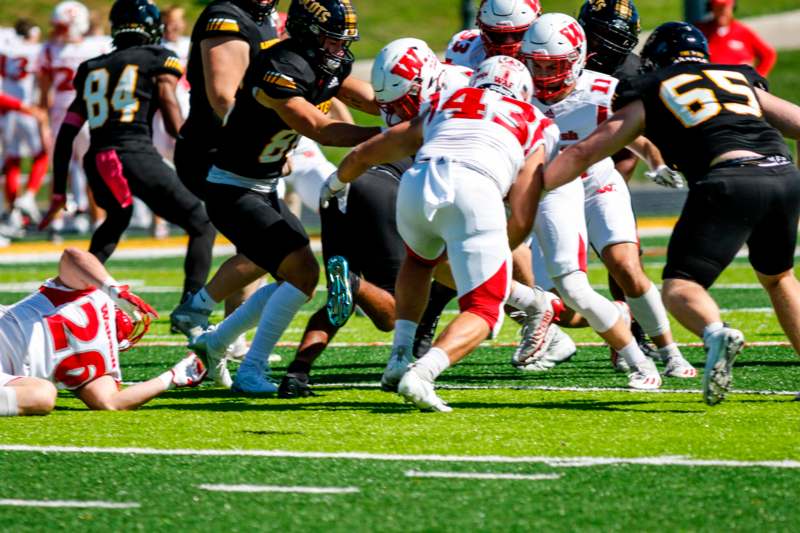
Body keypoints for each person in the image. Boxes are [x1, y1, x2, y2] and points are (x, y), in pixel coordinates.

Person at [543, 22, 800, 405]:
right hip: (783, 173)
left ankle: (715, 332)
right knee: (779, 277)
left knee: (680, 287)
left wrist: (534, 187)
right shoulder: (736, 77)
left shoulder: (652, 86)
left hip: (729, 178)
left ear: (655, 60)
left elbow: (585, 152)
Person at [327, 56, 552, 412]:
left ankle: (399, 356)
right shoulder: (534, 120)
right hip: (473, 189)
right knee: (484, 307)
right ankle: (422, 374)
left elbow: (371, 149)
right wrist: (497, 253)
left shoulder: (448, 102)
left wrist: (336, 181)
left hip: (417, 183)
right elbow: (524, 211)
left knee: (418, 262)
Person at [188, 0, 382, 395]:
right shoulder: (280, 67)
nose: (339, 49)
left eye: (342, 41)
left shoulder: (323, 61)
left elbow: (369, 98)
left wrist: (416, 107)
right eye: (331, 39)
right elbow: (323, 130)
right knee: (302, 272)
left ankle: (215, 343)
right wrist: (394, 136)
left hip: (262, 184)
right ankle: (249, 369)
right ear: (308, 31)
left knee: (299, 276)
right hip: (232, 187)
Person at [277, 37, 473, 398]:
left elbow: (350, 100)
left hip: (342, 185)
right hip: (383, 187)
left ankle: (298, 371)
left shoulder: (415, 93)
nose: (398, 108)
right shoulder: (453, 94)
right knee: (391, 310)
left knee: (340, 300)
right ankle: (356, 284)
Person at [515, 13, 671, 387]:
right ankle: (617, 317)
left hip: (596, 184)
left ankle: (658, 352)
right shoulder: (515, 88)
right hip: (547, 194)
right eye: (538, 64)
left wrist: (656, 160)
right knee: (558, 303)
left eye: (554, 65)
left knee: (620, 268)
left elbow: (633, 133)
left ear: (577, 58)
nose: (545, 73)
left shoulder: (603, 88)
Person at [42, 0, 216, 305]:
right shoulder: (159, 57)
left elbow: (67, 132)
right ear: (151, 27)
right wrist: (205, 146)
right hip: (132, 153)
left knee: (117, 218)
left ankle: (63, 295)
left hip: (97, 160)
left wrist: (59, 190)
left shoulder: (91, 68)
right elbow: (172, 116)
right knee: (201, 221)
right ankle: (192, 307)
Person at [169, 0, 281, 340]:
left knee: (265, 248)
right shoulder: (225, 18)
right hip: (216, 151)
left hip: (246, 152)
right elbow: (224, 98)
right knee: (275, 245)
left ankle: (230, 340)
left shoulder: (261, 18)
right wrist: (264, 142)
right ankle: (197, 309)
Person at [0, 247, 206, 417]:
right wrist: (114, 290)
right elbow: (72, 256)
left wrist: (174, 377)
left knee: (43, 396)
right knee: (42, 396)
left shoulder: (99, 366)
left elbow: (111, 403)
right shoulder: (91, 297)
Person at [39, 1, 112, 235]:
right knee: (69, 168)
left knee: (84, 166)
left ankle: (94, 217)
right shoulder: (94, 46)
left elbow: (44, 91)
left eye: (61, 26)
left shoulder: (53, 49)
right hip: (79, 112)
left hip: (75, 114)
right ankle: (65, 219)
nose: (56, 30)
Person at [0, 19, 49, 229]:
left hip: (8, 113)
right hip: (29, 110)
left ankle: (14, 212)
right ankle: (28, 196)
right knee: (44, 153)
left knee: (13, 161)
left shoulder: (6, 52)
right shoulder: (37, 51)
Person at [445, 0, 541, 68]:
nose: (508, 43)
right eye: (498, 36)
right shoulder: (466, 49)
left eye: (518, 34)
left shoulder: (547, 61)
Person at [698, 0, 776, 77]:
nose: (722, 12)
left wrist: (758, 78)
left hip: (739, 84)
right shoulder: (701, 31)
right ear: (711, 8)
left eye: (725, 8)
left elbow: (768, 54)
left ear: (732, 7)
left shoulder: (743, 32)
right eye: (718, 7)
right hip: (710, 82)